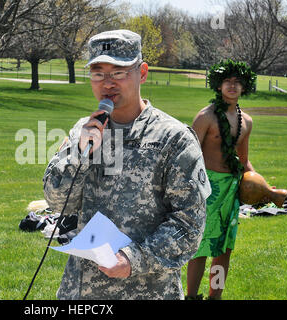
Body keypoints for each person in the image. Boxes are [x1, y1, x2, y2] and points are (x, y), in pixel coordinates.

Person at [43, 29, 211, 300]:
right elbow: (57, 201)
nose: (107, 83)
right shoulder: (83, 130)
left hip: (148, 291)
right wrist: (79, 152)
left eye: (118, 72)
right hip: (81, 292)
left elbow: (189, 224)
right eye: (98, 73)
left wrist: (132, 259)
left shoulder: (174, 138)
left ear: (142, 73)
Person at [186, 59, 257, 300]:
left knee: (224, 248)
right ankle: (192, 296)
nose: (232, 86)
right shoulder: (206, 116)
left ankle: (215, 296)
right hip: (206, 189)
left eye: (238, 83)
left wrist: (262, 185)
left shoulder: (246, 121)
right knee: (200, 246)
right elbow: (188, 155)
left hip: (231, 190)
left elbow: (244, 160)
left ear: (244, 87)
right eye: (227, 81)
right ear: (218, 85)